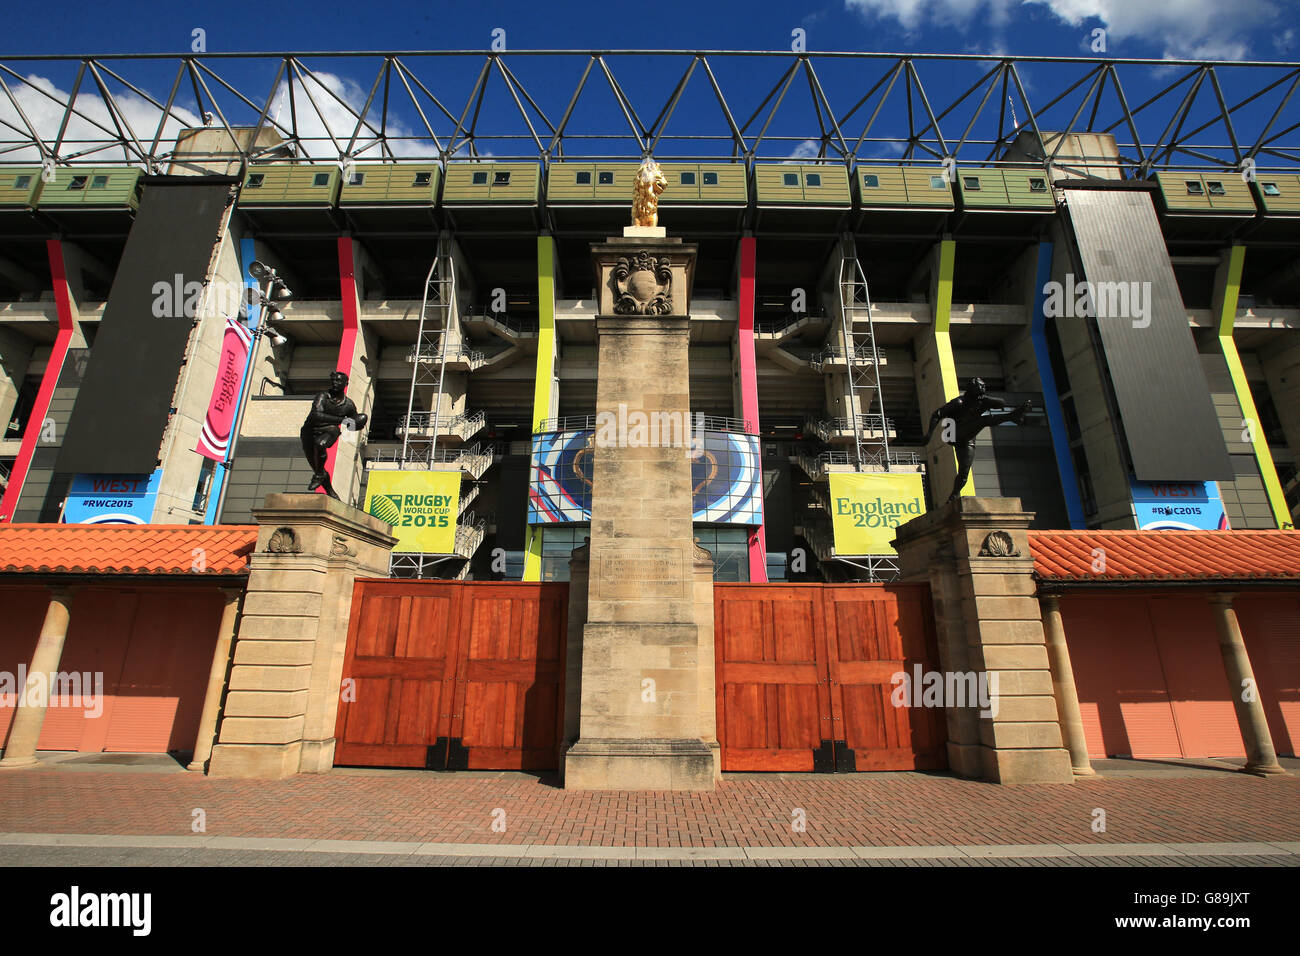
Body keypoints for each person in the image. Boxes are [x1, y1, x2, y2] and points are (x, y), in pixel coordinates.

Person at [922, 377, 1032, 503]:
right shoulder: (960, 402)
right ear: (972, 388)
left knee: (964, 471)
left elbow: (1002, 403)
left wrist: (986, 398)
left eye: (984, 387)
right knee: (984, 420)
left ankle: (953, 496)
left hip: (968, 437)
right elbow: (937, 414)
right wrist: (929, 434)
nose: (984, 389)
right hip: (952, 433)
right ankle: (1012, 417)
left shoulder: (982, 401)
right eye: (981, 386)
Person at [299, 371, 367, 500]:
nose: (335, 383)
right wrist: (343, 421)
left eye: (339, 381)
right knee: (317, 466)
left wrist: (359, 423)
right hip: (308, 432)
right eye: (333, 380)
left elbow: (351, 425)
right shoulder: (323, 396)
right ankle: (330, 492)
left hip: (329, 430)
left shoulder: (349, 405)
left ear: (345, 384)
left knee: (320, 444)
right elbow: (316, 415)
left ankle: (319, 476)